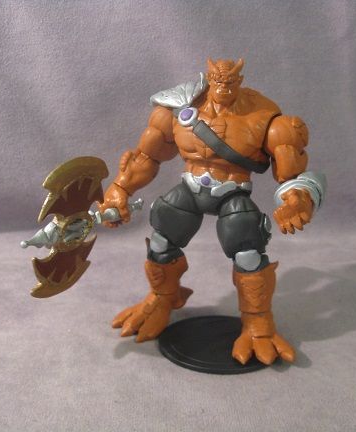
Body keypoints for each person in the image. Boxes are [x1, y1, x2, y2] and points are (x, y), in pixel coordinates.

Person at [99, 58, 326, 365]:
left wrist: (298, 200)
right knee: (161, 241)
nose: (222, 87)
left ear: (239, 80)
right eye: (217, 80)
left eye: (230, 82)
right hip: (190, 189)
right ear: (208, 77)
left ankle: (258, 323)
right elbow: (146, 157)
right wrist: (120, 189)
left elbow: (292, 176)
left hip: (232, 193)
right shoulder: (178, 107)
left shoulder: (265, 116)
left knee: (248, 253)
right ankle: (162, 299)